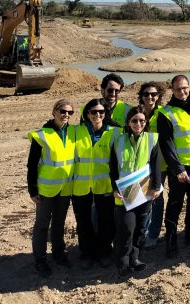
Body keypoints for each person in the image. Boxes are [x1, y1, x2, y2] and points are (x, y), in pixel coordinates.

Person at [110, 105, 162, 277]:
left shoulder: (152, 139)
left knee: (140, 228)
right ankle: (122, 262)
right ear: (128, 122)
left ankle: (135, 259)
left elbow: (156, 167)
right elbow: (113, 168)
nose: (138, 123)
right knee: (127, 228)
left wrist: (156, 187)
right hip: (124, 192)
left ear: (146, 122)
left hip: (145, 190)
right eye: (134, 120)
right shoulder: (118, 140)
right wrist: (114, 189)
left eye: (141, 120)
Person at [27, 99, 76, 276]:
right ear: (54, 111)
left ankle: (58, 254)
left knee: (59, 223)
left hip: (65, 188)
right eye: (63, 111)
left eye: (70, 113)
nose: (66, 115)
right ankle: (40, 260)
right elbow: (32, 165)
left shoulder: (73, 132)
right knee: (41, 225)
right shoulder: (42, 135)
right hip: (46, 189)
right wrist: (32, 189)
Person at [158, 74, 190, 257]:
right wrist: (178, 170)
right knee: (175, 205)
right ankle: (171, 242)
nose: (182, 92)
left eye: (185, 88)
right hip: (180, 170)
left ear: (189, 87)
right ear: (172, 90)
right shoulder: (166, 113)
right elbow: (167, 145)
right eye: (178, 89)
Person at [71, 98, 118, 269]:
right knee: (83, 222)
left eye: (101, 112)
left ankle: (104, 252)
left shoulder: (115, 132)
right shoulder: (76, 131)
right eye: (93, 112)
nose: (97, 115)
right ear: (87, 114)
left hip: (104, 186)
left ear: (106, 114)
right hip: (81, 186)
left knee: (106, 221)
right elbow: (54, 127)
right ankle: (87, 253)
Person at [138, 81, 167, 249]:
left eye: (154, 94)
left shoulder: (164, 113)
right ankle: (142, 232)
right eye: (146, 94)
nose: (150, 97)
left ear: (158, 96)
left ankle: (153, 234)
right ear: (141, 96)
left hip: (160, 164)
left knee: (156, 198)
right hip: (140, 164)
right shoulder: (137, 113)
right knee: (141, 198)